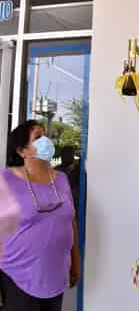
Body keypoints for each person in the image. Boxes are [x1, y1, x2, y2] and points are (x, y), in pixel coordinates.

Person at [0, 120, 81, 311]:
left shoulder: (61, 179)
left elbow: (71, 222)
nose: (46, 140)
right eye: (38, 137)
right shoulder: (6, 180)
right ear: (22, 151)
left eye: (46, 135)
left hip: (56, 278)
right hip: (18, 280)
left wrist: (76, 262)